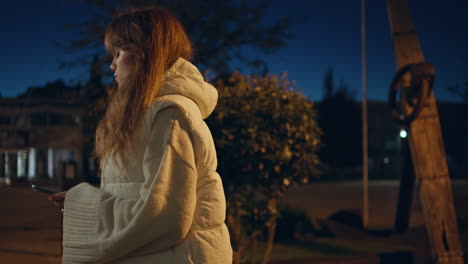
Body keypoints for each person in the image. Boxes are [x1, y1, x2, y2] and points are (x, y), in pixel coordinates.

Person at [48, 6, 233, 263]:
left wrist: (86, 206)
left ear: (144, 54)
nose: (111, 64)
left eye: (118, 52)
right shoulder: (147, 114)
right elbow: (136, 194)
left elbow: (166, 215)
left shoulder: (169, 114)